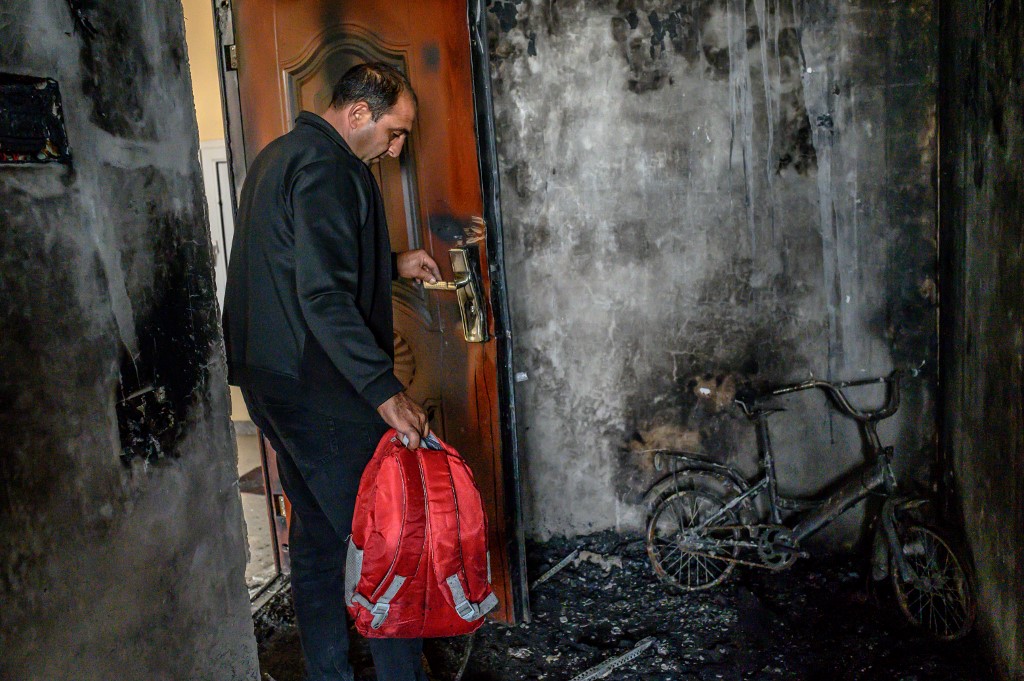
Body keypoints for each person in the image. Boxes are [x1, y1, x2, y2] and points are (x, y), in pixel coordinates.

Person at [222, 62, 439, 681]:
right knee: (387, 546)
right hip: (317, 390)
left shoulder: (280, 156)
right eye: (394, 133)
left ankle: (328, 672)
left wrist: (393, 262)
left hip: (271, 383)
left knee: (317, 535)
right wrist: (384, 391)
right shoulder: (331, 168)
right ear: (359, 113)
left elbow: (303, 262)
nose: (396, 150)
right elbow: (322, 295)